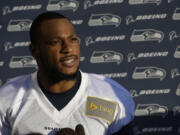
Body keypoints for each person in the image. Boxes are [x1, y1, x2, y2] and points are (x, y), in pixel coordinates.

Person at [0, 12, 135, 135]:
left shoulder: (114, 98)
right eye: (55, 42)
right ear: (34, 50)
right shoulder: (7, 98)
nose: (68, 49)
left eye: (73, 39)